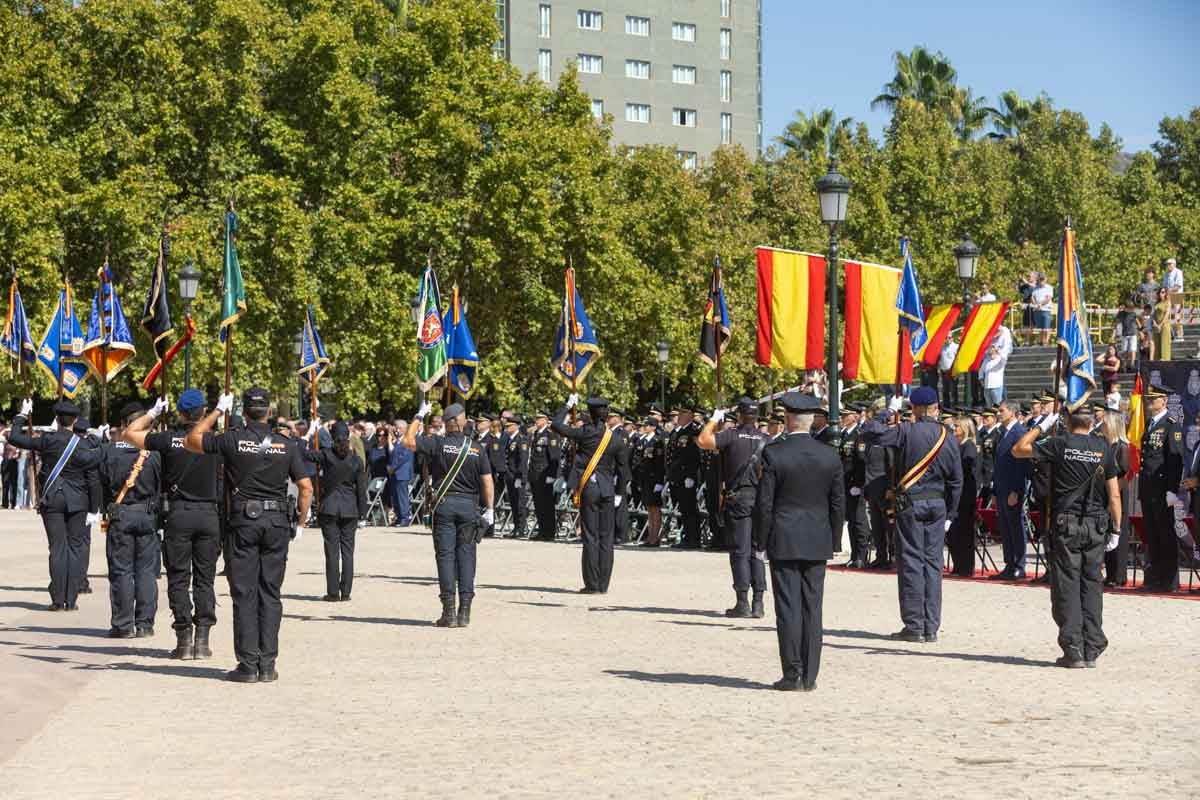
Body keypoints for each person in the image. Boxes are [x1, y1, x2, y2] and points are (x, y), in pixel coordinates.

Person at [185, 387, 313, 683]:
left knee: (244, 593)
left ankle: (247, 664)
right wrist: (300, 523)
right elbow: (306, 487)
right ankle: (267, 664)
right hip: (277, 522)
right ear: (269, 411)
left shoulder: (232, 439)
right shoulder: (286, 444)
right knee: (271, 593)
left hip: (243, 520)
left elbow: (192, 439)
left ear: (243, 411)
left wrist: (217, 411)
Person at [1012, 404, 1121, 667]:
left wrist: (1042, 426)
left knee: (1067, 584)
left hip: (1067, 524)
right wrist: (1117, 529)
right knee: (1092, 583)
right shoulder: (1103, 447)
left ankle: (1074, 648)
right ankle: (1092, 645)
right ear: (1091, 423)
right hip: (1096, 524)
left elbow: (1018, 449)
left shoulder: (1059, 443)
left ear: (1068, 423)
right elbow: (1115, 494)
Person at [753, 392, 842, 691]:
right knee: (813, 608)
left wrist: (760, 540)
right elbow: (837, 503)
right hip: (817, 537)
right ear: (812, 420)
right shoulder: (829, 455)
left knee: (788, 607)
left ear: (789, 419)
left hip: (784, 536)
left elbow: (765, 503)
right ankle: (810, 675)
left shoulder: (774, 453)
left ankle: (792, 673)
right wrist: (834, 540)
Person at [125, 390, 223, 660]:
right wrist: (219, 413)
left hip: (178, 514)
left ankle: (184, 640)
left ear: (180, 413)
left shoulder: (168, 439)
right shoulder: (214, 440)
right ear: (203, 412)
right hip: (208, 514)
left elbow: (129, 433)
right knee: (205, 580)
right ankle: (202, 640)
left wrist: (152, 413)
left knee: (179, 578)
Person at [860, 386, 962, 642]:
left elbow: (868, 432)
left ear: (914, 408)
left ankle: (915, 626)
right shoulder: (948, 436)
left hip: (911, 503)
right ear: (936, 408)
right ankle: (931, 627)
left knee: (911, 562)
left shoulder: (906, 430)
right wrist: (951, 513)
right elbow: (956, 480)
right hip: (938, 505)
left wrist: (888, 411)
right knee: (933, 564)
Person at [402, 401, 494, 627]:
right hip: (469, 507)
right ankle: (464, 612)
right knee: (467, 557)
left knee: (445, 557)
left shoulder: (438, 443)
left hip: (444, 505)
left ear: (446, 423)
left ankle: (449, 612)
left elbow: (407, 441)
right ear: (461, 421)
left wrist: (419, 415)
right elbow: (487, 480)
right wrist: (490, 509)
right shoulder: (476, 448)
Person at [8, 399, 101, 612]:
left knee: (58, 548)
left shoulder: (47, 440)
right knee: (75, 548)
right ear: (75, 420)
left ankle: (58, 599)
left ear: (57, 419)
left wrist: (22, 415)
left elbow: (14, 437)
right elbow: (93, 479)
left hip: (53, 499)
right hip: (78, 501)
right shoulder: (84, 444)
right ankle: (71, 599)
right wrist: (94, 508)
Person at [551, 395, 629, 593]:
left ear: (590, 414)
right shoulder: (616, 439)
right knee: (606, 538)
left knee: (591, 536)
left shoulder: (584, 433)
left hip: (589, 489)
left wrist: (568, 405)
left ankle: (592, 584)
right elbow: (623, 470)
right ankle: (603, 584)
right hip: (608, 490)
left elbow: (556, 425)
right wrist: (619, 493)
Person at [97, 402, 163, 638]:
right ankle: (145, 624)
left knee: (121, 571)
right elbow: (160, 486)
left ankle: (123, 625)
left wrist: (105, 508)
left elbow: (102, 483)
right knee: (146, 571)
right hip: (147, 513)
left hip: (121, 513)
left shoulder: (109, 450)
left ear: (125, 424)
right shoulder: (155, 451)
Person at [698, 397, 767, 618]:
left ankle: (742, 602)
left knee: (740, 550)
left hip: (738, 499)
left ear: (739, 415)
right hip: (760, 499)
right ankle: (759, 602)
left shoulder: (732, 435)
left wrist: (713, 420)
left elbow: (703, 440)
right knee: (757, 551)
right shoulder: (766, 439)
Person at [304, 420, 368, 601]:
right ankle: (345, 592)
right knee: (348, 552)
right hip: (350, 509)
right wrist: (363, 514)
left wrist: (310, 432)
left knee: (332, 552)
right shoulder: (356, 460)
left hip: (330, 507)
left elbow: (304, 453)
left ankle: (333, 592)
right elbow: (361, 490)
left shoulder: (326, 455)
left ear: (332, 436)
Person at [1137, 384, 1183, 592]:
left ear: (1164, 401)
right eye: (1148, 398)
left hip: (1162, 489)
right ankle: (1154, 578)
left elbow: (1175, 461)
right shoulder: (1150, 423)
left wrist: (1172, 490)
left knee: (1165, 533)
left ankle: (1169, 580)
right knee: (1152, 533)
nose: (1149, 402)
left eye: (1153, 398)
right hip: (1148, 488)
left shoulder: (1171, 425)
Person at [991, 399, 1032, 579]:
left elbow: (1021, 465)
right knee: (1005, 527)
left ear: (1013, 412)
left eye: (1002, 411)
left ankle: (1019, 565)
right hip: (1001, 486)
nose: (998, 414)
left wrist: (1016, 490)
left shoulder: (1019, 432)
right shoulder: (1003, 432)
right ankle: (1009, 564)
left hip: (1012, 488)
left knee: (1015, 526)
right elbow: (998, 463)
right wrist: (994, 491)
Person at [835, 404, 869, 567]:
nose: (842, 418)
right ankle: (854, 556)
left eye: (845, 415)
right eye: (842, 415)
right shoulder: (843, 434)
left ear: (855, 417)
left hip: (854, 484)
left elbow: (861, 462)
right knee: (851, 520)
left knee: (859, 520)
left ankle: (862, 556)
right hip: (845, 483)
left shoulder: (859, 436)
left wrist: (858, 484)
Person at [1102, 412, 1132, 587]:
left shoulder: (1122, 447)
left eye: (1105, 424)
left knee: (1117, 531)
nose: (1102, 426)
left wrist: (1112, 493)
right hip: (1108, 493)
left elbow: (1124, 473)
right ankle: (1110, 573)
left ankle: (1119, 575)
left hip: (1117, 493)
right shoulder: (1108, 446)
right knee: (1107, 533)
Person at [666, 407, 702, 549]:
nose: (679, 416)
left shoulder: (693, 431)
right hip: (679, 475)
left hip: (687, 475)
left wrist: (691, 475)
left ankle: (694, 538)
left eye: (682, 414)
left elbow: (695, 455)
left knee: (690, 508)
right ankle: (687, 537)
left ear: (689, 416)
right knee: (684, 508)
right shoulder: (680, 432)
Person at [947, 416, 978, 577]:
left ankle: (966, 566)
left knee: (964, 531)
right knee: (953, 531)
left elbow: (965, 468)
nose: (954, 429)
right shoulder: (956, 445)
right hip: (954, 493)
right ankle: (958, 564)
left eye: (957, 426)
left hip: (965, 494)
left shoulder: (969, 446)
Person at [527, 411, 561, 541]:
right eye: (536, 418)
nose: (536, 420)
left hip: (545, 474)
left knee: (547, 504)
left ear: (546, 420)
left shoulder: (550, 435)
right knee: (538, 504)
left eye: (539, 418)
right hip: (535, 474)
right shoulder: (536, 434)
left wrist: (552, 474)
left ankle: (549, 532)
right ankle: (542, 530)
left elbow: (554, 456)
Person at [638, 417, 667, 547]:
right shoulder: (644, 441)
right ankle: (650, 536)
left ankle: (655, 537)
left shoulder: (657, 442)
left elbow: (660, 464)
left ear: (653, 427)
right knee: (649, 509)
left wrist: (659, 482)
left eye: (647, 425)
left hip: (654, 479)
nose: (645, 427)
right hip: (646, 479)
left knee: (655, 509)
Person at [503, 417, 530, 538]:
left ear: (516, 426)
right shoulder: (510, 439)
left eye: (509, 426)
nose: (507, 428)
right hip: (510, 475)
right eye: (506, 426)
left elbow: (523, 460)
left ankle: (521, 528)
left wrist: (520, 477)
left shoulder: (521, 439)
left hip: (517, 476)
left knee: (520, 503)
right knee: (513, 502)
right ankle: (516, 527)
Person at [387, 420, 413, 526]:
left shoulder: (407, 440)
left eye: (398, 428)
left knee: (402, 497)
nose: (396, 430)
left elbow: (402, 457)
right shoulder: (397, 441)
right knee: (395, 496)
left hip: (402, 473)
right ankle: (398, 517)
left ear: (404, 429)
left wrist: (392, 468)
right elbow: (393, 455)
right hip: (395, 473)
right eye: (396, 428)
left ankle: (405, 518)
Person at [1113, 300, 1140, 370]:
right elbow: (1117, 320)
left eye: (1131, 308)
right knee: (1124, 350)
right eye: (1129, 308)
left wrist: (1140, 328)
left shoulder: (1133, 314)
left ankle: (1132, 364)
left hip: (1133, 333)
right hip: (1125, 334)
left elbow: (1137, 321)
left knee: (1132, 349)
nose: (1130, 310)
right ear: (1125, 308)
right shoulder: (1121, 313)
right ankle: (1124, 363)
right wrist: (1119, 311)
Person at [1162, 257, 1184, 341]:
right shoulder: (1166, 274)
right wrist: (1165, 292)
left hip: (1177, 295)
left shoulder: (1178, 272)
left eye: (1170, 264)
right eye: (1167, 264)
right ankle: (1171, 335)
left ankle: (1179, 335)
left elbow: (1178, 286)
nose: (1168, 265)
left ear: (1174, 264)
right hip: (1168, 296)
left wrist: (1168, 290)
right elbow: (1164, 286)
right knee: (1167, 315)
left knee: (1177, 316)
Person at [1031, 273, 1054, 346]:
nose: (1041, 281)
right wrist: (1036, 304)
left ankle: (1046, 342)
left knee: (1046, 327)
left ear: (1045, 279)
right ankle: (1041, 342)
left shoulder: (1049, 288)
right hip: (1037, 310)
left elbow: (1048, 299)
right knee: (1040, 328)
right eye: (1040, 279)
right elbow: (1032, 297)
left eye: (1042, 279)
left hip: (1046, 310)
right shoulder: (1035, 288)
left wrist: (1040, 304)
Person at [1153, 287, 1172, 361]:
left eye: (1163, 292)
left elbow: (1166, 315)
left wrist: (1160, 325)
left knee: (1165, 344)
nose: (1161, 294)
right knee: (1157, 344)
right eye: (1160, 292)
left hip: (1164, 325)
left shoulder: (1167, 302)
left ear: (1166, 293)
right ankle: (1157, 361)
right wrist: (1155, 324)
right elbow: (1153, 315)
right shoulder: (1156, 303)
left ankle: (1165, 360)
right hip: (1156, 326)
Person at [939, 336, 959, 407]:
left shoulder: (956, 346)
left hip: (953, 372)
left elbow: (958, 358)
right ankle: (946, 406)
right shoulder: (942, 347)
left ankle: (955, 406)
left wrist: (957, 371)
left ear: (952, 338)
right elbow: (940, 359)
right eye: (946, 338)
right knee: (945, 390)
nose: (948, 339)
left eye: (949, 338)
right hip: (944, 371)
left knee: (953, 390)